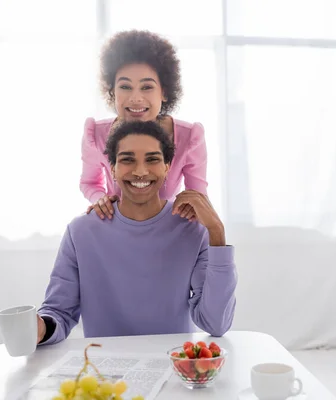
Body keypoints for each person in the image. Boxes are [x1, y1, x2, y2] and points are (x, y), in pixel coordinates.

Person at [36, 121, 236, 345]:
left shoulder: (192, 230)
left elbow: (216, 324)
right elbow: (58, 313)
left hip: (172, 368)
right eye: (127, 160)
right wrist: (41, 328)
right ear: (112, 168)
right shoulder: (81, 232)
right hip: (105, 372)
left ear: (167, 167)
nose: (140, 171)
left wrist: (217, 233)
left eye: (152, 159)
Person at [81, 30, 208, 221]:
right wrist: (101, 199)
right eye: (125, 87)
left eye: (147, 87)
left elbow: (199, 195)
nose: (136, 98)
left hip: (167, 228)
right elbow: (89, 182)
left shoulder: (190, 138)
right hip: (115, 224)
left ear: (164, 92)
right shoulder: (95, 135)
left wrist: (191, 207)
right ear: (112, 92)